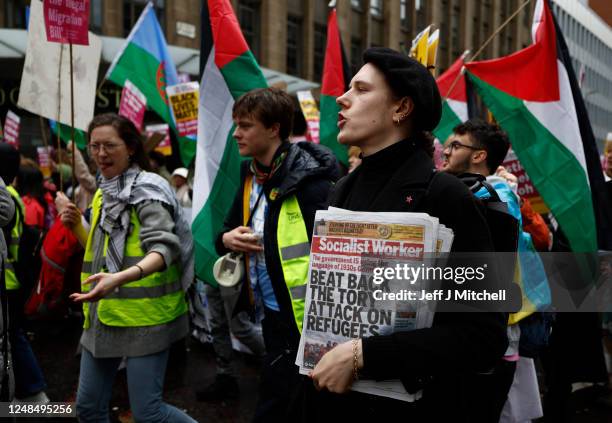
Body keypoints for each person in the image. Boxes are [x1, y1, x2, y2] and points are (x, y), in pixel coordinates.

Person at [309, 48, 508, 421]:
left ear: (401, 108)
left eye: (362, 89)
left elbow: (484, 336)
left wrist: (364, 355)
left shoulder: (445, 197)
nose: (342, 97)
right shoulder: (342, 190)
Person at [58, 113, 196, 423]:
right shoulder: (101, 193)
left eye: (109, 145)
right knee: (88, 409)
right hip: (103, 313)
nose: (101, 154)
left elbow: (164, 248)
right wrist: (76, 226)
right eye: (94, 146)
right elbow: (101, 254)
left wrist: (121, 277)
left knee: (149, 413)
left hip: (147, 318)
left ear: (131, 147)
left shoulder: (149, 190)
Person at [215, 87, 339, 422]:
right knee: (283, 397)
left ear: (274, 129)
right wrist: (229, 238)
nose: (236, 133)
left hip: (310, 320)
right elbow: (224, 231)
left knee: (292, 402)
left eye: (245, 125)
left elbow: (338, 254)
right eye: (235, 124)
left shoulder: (312, 181)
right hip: (271, 314)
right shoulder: (250, 174)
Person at [441, 119, 550, 422]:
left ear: (479, 155)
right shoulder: (492, 191)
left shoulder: (495, 195)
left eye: (455, 146)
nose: (445, 152)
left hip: (494, 326)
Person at [0, 144, 48, 403]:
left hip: (7, 278)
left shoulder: (5, 195)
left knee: (12, 335)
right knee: (12, 334)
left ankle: (31, 391)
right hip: (13, 276)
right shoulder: (12, 193)